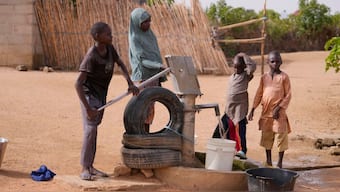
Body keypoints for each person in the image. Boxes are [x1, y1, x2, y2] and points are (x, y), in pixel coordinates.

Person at [75, 22, 139, 181]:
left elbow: (121, 64)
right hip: (89, 97)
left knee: (94, 129)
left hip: (101, 96)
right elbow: (78, 83)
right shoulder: (91, 56)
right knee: (90, 130)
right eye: (108, 34)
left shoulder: (110, 49)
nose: (111, 36)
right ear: (97, 37)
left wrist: (130, 83)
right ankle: (84, 168)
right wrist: (88, 108)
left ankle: (90, 166)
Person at [248, 50, 292, 169]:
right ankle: (268, 161)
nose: (275, 64)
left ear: (281, 62)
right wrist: (253, 108)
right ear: (268, 62)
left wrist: (279, 108)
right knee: (267, 136)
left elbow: (288, 95)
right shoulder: (264, 78)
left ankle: (280, 162)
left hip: (279, 113)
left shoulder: (284, 77)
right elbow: (259, 93)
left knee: (281, 136)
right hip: (266, 112)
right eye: (272, 61)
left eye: (277, 61)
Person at [128, 7, 167, 132]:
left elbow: (155, 54)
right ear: (136, 23)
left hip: (154, 76)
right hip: (143, 77)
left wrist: (159, 69)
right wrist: (159, 66)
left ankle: (146, 134)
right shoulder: (135, 38)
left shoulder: (151, 35)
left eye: (149, 21)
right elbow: (141, 61)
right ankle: (140, 135)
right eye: (145, 22)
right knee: (142, 107)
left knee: (150, 108)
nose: (148, 24)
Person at [225, 53, 256, 160]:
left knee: (240, 128)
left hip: (240, 107)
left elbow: (253, 67)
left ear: (244, 67)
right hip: (229, 108)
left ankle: (242, 150)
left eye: (239, 67)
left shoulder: (246, 76)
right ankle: (230, 149)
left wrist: (244, 55)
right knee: (227, 128)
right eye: (235, 67)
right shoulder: (232, 77)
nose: (236, 69)